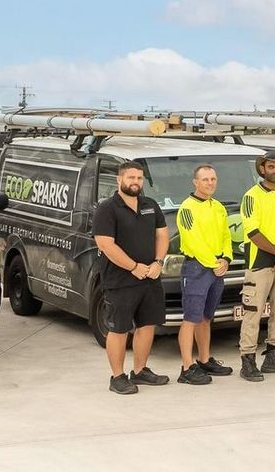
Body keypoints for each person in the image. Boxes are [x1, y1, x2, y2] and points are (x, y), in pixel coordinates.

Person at [91, 162, 170, 395]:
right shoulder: (107, 209)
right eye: (131, 177)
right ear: (119, 180)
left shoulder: (150, 205)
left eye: (139, 178)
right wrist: (133, 266)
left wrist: (158, 262)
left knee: (147, 325)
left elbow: (162, 235)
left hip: (150, 277)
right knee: (119, 329)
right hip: (120, 280)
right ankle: (117, 377)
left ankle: (140, 370)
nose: (135, 182)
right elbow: (105, 244)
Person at [237, 150, 275, 381]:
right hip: (260, 262)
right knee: (252, 313)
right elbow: (253, 232)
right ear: (262, 168)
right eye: (271, 167)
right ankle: (248, 360)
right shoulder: (252, 196)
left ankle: (273, 357)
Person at [174, 164, 234, 385]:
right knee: (191, 318)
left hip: (217, 267)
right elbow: (193, 241)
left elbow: (226, 236)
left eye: (213, 179)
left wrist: (226, 259)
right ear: (195, 182)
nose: (210, 183)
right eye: (205, 179)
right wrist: (213, 263)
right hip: (197, 268)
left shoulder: (218, 207)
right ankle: (187, 367)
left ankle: (204, 359)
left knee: (206, 318)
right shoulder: (187, 209)